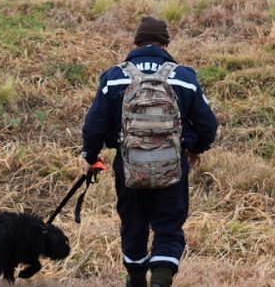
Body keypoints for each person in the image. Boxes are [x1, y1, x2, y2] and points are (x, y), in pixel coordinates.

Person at [81, 16, 218, 287]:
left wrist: (91, 156)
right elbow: (208, 125)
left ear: (135, 42)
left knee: (133, 225)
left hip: (128, 165)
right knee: (168, 227)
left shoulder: (114, 77)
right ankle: (160, 281)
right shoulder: (184, 77)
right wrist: (193, 147)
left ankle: (135, 280)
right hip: (173, 165)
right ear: (166, 43)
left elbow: (94, 125)